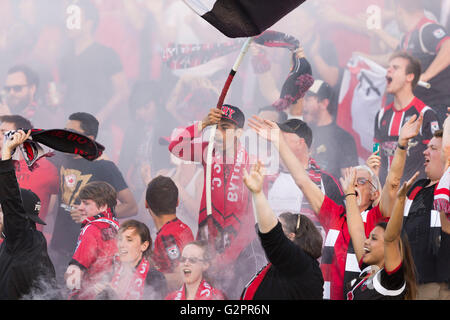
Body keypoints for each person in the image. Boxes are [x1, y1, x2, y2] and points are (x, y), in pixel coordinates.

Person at [248, 112, 423, 300]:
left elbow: (393, 182)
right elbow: (303, 181)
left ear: (375, 194)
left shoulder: (377, 218)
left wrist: (402, 145)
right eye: (352, 180)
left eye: (362, 181)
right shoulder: (335, 214)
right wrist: (279, 142)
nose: (354, 184)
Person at [168, 105, 266, 299]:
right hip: (208, 249)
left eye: (226, 128)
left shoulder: (252, 162)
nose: (219, 133)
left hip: (240, 255)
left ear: (239, 132)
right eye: (217, 127)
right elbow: (176, 147)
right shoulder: (208, 151)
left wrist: (227, 257)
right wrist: (203, 123)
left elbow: (251, 217)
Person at [48, 112, 137, 283]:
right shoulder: (59, 157)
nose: (66, 136)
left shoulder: (104, 166)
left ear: (87, 139)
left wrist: (92, 216)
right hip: (59, 247)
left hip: (89, 253)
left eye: (72, 132)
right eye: (65, 131)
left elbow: (131, 206)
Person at [240, 161, 324, 300]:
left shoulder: (302, 266)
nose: (271, 229)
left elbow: (272, 237)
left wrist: (258, 193)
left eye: (279, 227)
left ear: (291, 236)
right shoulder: (285, 266)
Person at [0, 129, 59, 300]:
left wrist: (6, 154)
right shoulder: (25, 242)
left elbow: (10, 199)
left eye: (2, 211)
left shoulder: (22, 239)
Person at [343, 167, 418, 299]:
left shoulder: (391, 280)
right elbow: (356, 229)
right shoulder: (368, 269)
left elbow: (391, 238)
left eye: (374, 238)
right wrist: (349, 192)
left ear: (391, 249)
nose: (366, 241)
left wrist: (399, 201)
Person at [374, 51, 440, 185]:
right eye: (388, 67)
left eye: (395, 67)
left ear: (409, 77)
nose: (389, 70)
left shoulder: (426, 114)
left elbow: (437, 160)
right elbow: (376, 156)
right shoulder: (381, 115)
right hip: (384, 197)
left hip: (414, 198)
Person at [402, 129, 450, 300]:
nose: (425, 151)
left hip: (440, 286)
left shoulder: (447, 192)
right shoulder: (417, 188)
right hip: (409, 283)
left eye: (433, 148)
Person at [0, 115, 59, 235]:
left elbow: (51, 209)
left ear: (22, 136)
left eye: (3, 133)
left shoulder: (47, 169)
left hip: (25, 245)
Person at [395, 0, 450, 125]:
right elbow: (391, 59)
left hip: (438, 107)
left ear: (399, 10)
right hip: (420, 109)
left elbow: (448, 47)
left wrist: (425, 76)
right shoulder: (406, 38)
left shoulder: (427, 29)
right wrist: (363, 57)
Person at [64, 181, 119, 300]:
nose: (80, 207)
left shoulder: (92, 229)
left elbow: (74, 275)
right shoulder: (117, 227)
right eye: (81, 202)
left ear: (103, 206)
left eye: (86, 203)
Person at [95, 219, 168, 300]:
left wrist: (114, 296)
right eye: (120, 239)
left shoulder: (155, 278)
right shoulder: (111, 273)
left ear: (144, 246)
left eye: (129, 240)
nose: (122, 245)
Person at [145, 175, 194, 290]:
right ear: (177, 202)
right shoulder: (184, 227)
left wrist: (146, 278)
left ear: (146, 204)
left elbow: (181, 278)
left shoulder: (167, 237)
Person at [303, 79, 359, 180]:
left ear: (324, 103)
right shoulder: (301, 133)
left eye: (307, 100)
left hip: (329, 195)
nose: (303, 105)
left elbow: (351, 182)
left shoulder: (343, 138)